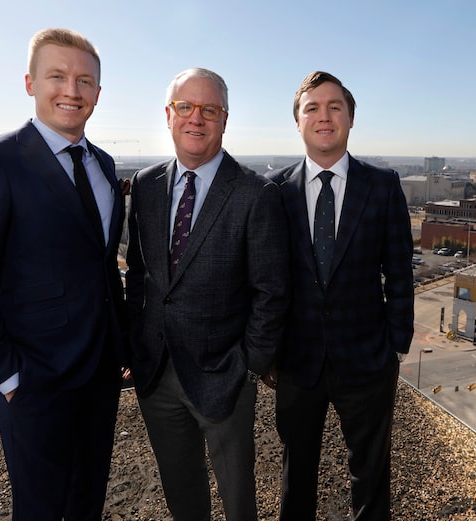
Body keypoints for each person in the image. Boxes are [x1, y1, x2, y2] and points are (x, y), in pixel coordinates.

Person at [0, 28, 127, 520]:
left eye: (85, 80)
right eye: (57, 76)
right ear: (30, 83)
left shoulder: (104, 166)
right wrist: (9, 376)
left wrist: (121, 349)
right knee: (41, 509)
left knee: (88, 503)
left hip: (100, 376)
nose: (72, 90)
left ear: (98, 94)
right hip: (36, 382)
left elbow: (101, 267)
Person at [125, 67, 290, 521]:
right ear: (168, 114)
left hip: (225, 376)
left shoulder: (256, 193)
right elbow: (139, 273)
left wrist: (249, 363)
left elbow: (271, 293)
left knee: (238, 501)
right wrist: (136, 342)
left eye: (209, 109)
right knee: (182, 493)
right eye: (185, 107)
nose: (196, 119)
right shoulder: (145, 185)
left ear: (224, 119)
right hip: (157, 373)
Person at [266, 71, 415, 520]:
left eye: (335, 107)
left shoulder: (382, 185)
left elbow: (400, 272)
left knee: (371, 479)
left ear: (350, 119)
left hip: (369, 359)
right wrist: (270, 352)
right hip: (296, 362)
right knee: (297, 479)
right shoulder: (274, 190)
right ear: (298, 122)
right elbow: (265, 278)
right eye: (312, 107)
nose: (323, 116)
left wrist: (396, 346)